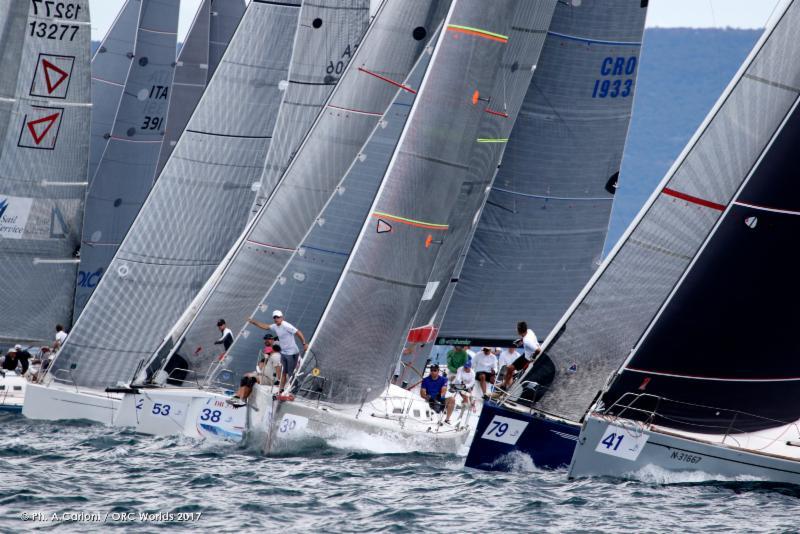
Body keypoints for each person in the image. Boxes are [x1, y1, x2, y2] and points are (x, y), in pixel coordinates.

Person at [247, 310, 307, 392]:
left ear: (282, 317)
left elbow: (298, 332)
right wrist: (254, 322)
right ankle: (282, 389)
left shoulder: (286, 325)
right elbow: (265, 326)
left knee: (290, 373)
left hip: (293, 353)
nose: (276, 319)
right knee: (284, 372)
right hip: (285, 353)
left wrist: (304, 343)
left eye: (278, 317)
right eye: (274, 317)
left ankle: (293, 390)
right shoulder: (275, 326)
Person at [504, 321, 541, 388]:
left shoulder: (526, 341)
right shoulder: (529, 331)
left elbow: (538, 350)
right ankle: (503, 386)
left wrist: (532, 358)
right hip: (526, 355)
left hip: (528, 359)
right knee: (510, 368)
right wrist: (521, 340)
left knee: (519, 375)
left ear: (519, 331)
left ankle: (507, 387)